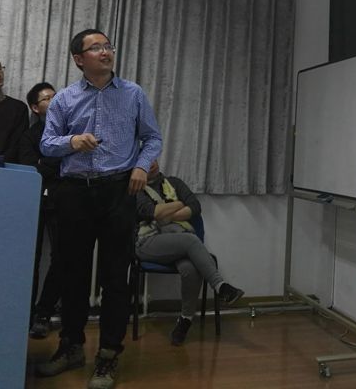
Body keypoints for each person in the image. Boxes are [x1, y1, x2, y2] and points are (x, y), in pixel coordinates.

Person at [37, 29, 162, 389]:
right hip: (75, 193)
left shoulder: (133, 94)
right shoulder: (64, 98)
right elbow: (46, 144)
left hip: (118, 191)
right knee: (72, 274)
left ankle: (108, 355)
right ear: (79, 59)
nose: (106, 52)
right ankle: (71, 347)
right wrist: (72, 141)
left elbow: (152, 138)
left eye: (108, 46)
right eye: (96, 48)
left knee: (115, 277)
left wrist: (142, 166)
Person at [136, 161, 244, 345]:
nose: (152, 163)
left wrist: (168, 214)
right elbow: (152, 212)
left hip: (178, 240)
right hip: (148, 242)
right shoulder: (135, 187)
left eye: (154, 158)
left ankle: (185, 321)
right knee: (191, 240)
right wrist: (179, 204)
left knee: (191, 269)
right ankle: (220, 286)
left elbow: (194, 206)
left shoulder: (175, 183)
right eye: (147, 160)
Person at [19, 82, 62, 339]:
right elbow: (29, 169)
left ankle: (44, 312)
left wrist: (45, 162)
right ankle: (24, 316)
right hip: (34, 201)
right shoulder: (30, 135)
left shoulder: (70, 129)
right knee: (30, 259)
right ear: (36, 108)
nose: (54, 100)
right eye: (47, 98)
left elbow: (71, 161)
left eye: (55, 96)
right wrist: (54, 161)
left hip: (62, 201)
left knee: (61, 257)